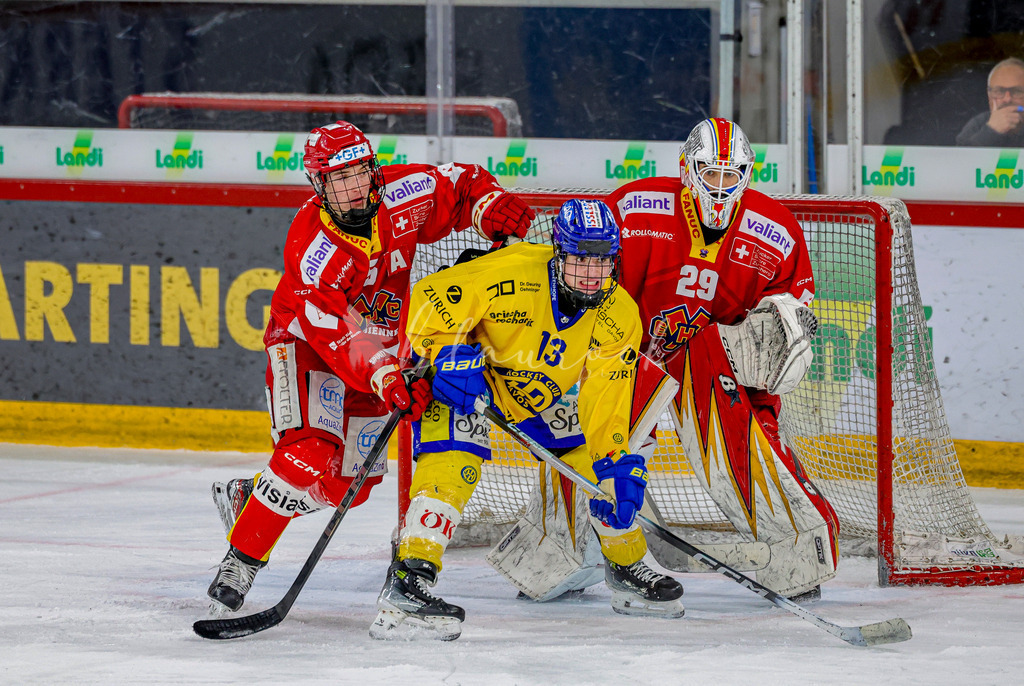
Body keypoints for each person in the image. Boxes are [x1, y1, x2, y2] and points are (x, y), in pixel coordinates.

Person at [205, 120, 536, 613]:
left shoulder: (403, 195)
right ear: (319, 186)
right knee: (309, 452)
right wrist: (388, 374)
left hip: (380, 354)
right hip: (309, 348)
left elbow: (462, 183)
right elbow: (336, 330)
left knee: (347, 489)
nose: (354, 187)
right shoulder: (313, 247)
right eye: (339, 179)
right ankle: (242, 561)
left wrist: (490, 207)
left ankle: (251, 496)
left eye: (360, 173)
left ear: (374, 171)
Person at [370, 199, 684, 641]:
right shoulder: (510, 272)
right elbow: (430, 298)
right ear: (558, 252)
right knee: (456, 460)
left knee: (607, 469)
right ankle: (409, 579)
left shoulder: (619, 314)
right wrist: (440, 355)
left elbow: (604, 401)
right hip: (470, 381)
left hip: (536, 397)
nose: (592, 275)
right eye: (579, 260)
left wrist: (615, 455)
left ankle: (627, 567)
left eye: (602, 262)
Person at [601, 117, 840, 600]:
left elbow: (790, 320)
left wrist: (782, 332)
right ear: (687, 169)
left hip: (719, 362)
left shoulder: (775, 230)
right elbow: (581, 272)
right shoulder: (634, 207)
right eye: (710, 174)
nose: (720, 187)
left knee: (751, 443)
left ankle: (796, 545)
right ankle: (573, 550)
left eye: (731, 177)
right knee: (589, 441)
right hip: (630, 357)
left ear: (747, 175)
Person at [956, 58, 1024, 147]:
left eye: (1017, 91)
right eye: (999, 91)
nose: (1007, 99)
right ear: (989, 96)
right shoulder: (977, 124)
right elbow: (960, 159)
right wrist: (990, 131)